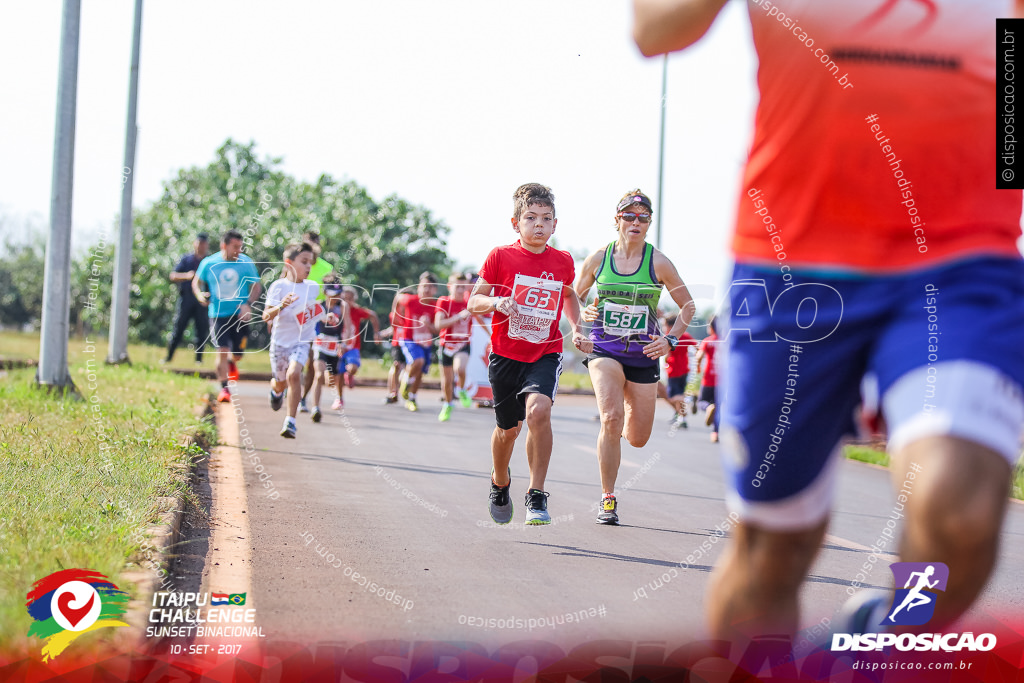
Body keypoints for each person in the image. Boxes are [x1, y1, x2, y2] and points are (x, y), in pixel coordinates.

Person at [633, 0, 1024, 646]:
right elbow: (652, 26)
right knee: (771, 556)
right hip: (793, 265)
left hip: (961, 260)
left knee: (959, 503)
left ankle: (890, 639)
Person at [468, 183, 591, 526]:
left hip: (545, 351)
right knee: (508, 430)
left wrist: (578, 328)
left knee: (539, 412)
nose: (539, 224)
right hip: (505, 354)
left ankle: (536, 494)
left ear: (555, 224)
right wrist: (496, 302)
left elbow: (568, 296)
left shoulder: (563, 261)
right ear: (515, 223)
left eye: (546, 219)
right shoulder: (500, 256)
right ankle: (500, 480)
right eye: (531, 218)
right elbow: (473, 301)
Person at [575, 189, 694, 525]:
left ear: (649, 223)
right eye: (629, 215)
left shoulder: (658, 262)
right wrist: (584, 314)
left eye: (643, 217)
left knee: (638, 438)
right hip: (604, 348)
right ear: (617, 220)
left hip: (644, 353)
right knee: (610, 419)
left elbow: (688, 306)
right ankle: (607, 498)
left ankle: (625, 421)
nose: (636, 222)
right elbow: (574, 295)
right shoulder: (599, 259)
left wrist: (670, 340)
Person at [261, 242, 336, 438]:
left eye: (310, 262)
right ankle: (276, 391)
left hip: (301, 341)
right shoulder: (279, 286)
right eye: (304, 262)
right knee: (281, 382)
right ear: (289, 263)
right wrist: (281, 306)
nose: (309, 266)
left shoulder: (312, 287)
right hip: (280, 343)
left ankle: (290, 422)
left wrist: (325, 317)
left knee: (294, 374)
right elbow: (266, 316)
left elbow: (313, 309)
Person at [193, 230, 262, 403]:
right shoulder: (209, 263)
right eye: (235, 247)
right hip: (218, 314)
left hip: (240, 315)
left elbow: (256, 287)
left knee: (237, 354)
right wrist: (200, 295)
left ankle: (234, 361)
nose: (239, 250)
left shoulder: (246, 262)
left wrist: (248, 303)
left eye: (240, 247)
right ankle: (224, 388)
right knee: (222, 350)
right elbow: (196, 282)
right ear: (224, 245)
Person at [298, 231, 334, 414]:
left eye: (315, 243)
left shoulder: (327, 267)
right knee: (295, 357)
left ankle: (303, 398)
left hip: (317, 316)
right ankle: (289, 389)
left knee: (312, 360)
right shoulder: (294, 263)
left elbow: (331, 294)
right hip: (295, 314)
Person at [393, 272, 438, 412]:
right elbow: (398, 297)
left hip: (426, 342)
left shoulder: (436, 306)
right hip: (409, 338)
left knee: (420, 372)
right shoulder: (411, 300)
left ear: (434, 290)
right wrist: (396, 316)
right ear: (418, 287)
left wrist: (429, 325)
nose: (426, 289)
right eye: (423, 286)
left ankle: (412, 398)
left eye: (429, 287)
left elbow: (437, 330)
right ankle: (406, 380)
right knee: (418, 361)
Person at [164, 234, 210, 365]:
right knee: (178, 328)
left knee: (201, 330)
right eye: (199, 243)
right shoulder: (186, 259)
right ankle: (169, 357)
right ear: (195, 244)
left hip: (202, 300)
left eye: (204, 243)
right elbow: (173, 275)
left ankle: (199, 360)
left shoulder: (208, 260)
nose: (201, 246)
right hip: (186, 299)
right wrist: (188, 276)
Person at [434, 271, 474, 422]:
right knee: (447, 379)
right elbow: (438, 324)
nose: (460, 290)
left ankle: (462, 390)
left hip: (463, 344)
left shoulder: (469, 302)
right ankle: (448, 404)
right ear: (449, 286)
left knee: (460, 369)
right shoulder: (444, 301)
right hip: (446, 345)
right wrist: (458, 317)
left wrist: (490, 333)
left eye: (463, 287)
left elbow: (480, 319)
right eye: (457, 287)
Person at [310, 282, 353, 416]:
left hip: (335, 345)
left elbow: (348, 327)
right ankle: (315, 408)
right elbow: (309, 323)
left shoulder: (343, 306)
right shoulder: (318, 305)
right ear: (325, 293)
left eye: (338, 294)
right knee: (319, 374)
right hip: (320, 343)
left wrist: (344, 343)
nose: (336, 297)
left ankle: (338, 396)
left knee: (332, 380)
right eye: (334, 295)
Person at [340, 286, 380, 390]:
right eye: (344, 299)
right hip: (337, 346)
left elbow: (373, 315)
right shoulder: (337, 310)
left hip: (353, 346)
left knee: (353, 368)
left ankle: (349, 374)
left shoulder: (357, 311)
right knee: (331, 377)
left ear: (354, 299)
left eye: (350, 299)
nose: (347, 302)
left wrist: (376, 333)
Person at [661, 314, 696, 428]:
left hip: (673, 370)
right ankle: (681, 417)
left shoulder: (668, 337)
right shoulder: (685, 335)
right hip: (685, 368)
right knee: (679, 393)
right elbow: (697, 346)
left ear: (670, 325)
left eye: (665, 325)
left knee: (673, 396)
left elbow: (666, 353)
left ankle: (688, 401)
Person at [694, 318, 719, 443]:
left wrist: (698, 366)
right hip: (722, 380)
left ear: (711, 328)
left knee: (701, 402)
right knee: (719, 407)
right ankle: (716, 432)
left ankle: (708, 407)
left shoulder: (708, 341)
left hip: (709, 378)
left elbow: (699, 356)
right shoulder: (727, 340)